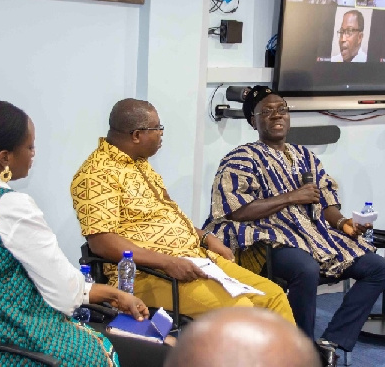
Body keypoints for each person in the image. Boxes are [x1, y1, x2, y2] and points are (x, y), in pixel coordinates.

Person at [0, 98, 167, 366]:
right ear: (5, 158)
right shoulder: (11, 206)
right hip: (20, 349)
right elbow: (63, 294)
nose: (34, 153)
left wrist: (114, 294)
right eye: (29, 146)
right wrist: (112, 294)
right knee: (164, 353)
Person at [69, 98, 294, 324]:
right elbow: (102, 242)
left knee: (273, 297)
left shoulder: (138, 163)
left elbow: (169, 217)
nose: (161, 134)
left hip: (196, 259)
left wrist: (205, 237)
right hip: (147, 275)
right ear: (136, 135)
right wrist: (167, 262)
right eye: (157, 128)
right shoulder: (96, 175)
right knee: (243, 311)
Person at [202, 86, 385, 355]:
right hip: (266, 238)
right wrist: (291, 197)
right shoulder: (240, 158)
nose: (276, 115)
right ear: (252, 121)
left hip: (312, 235)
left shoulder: (306, 156)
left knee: (378, 267)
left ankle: (331, 341)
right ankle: (300, 349)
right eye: (266, 112)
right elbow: (236, 211)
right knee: (306, 269)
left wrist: (343, 223)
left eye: (282, 109)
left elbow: (326, 201)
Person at [163, 307, 321, 367]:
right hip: (173, 267)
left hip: (203, 256)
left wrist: (206, 237)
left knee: (274, 295)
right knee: (244, 305)